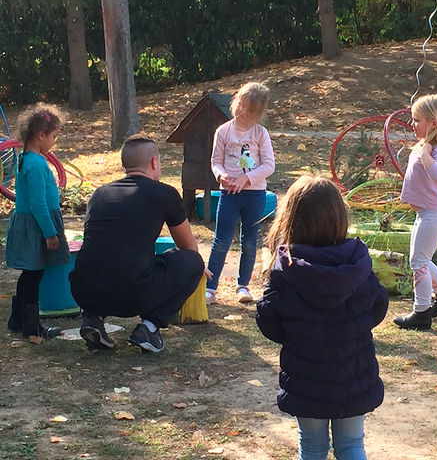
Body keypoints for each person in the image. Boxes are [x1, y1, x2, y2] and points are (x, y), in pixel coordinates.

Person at [256, 176, 388, 460]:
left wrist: (297, 333)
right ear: (339, 215)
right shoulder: (357, 260)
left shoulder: (286, 268)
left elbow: (269, 319)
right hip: (354, 372)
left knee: (313, 447)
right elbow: (378, 304)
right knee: (352, 445)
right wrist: (354, 326)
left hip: (307, 375)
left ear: (291, 219)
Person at [69, 135, 204, 353]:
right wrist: (198, 267)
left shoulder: (99, 194)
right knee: (193, 262)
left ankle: (92, 319)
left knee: (105, 261)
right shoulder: (165, 194)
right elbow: (188, 247)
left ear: (125, 165)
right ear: (154, 162)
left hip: (83, 290)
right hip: (132, 295)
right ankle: (149, 328)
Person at [206, 82, 275, 305]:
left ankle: (243, 285)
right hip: (228, 194)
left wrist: (247, 178)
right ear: (235, 100)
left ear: (258, 113)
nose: (242, 112)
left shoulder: (260, 133)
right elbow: (216, 162)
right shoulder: (224, 131)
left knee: (249, 240)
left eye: (249, 110)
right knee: (222, 240)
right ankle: (210, 287)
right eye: (240, 105)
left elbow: (269, 165)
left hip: (254, 194)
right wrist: (221, 176)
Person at [5, 104, 70, 343]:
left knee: (29, 274)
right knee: (34, 275)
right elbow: (38, 204)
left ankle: (18, 319)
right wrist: (50, 233)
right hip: (37, 227)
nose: (54, 141)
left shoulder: (25, 159)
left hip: (32, 225)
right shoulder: (36, 164)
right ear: (41, 135)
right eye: (53, 136)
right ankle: (32, 328)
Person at [394, 94, 437, 331]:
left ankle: (421, 312)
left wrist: (425, 155)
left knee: (418, 261)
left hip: (433, 215)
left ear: (434, 123)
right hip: (428, 214)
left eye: (417, 120)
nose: (412, 125)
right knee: (421, 259)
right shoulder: (426, 146)